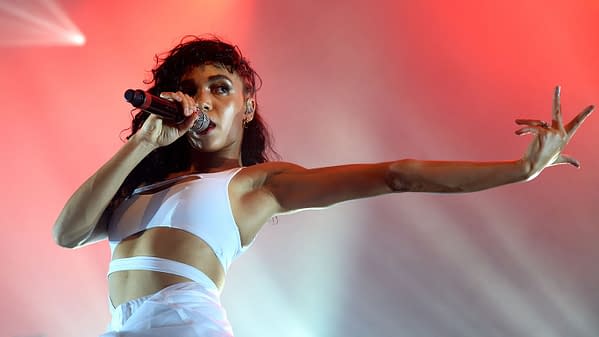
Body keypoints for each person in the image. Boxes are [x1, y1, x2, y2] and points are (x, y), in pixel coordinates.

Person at [52, 35, 594, 337]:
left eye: (221, 88)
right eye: (191, 90)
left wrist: (518, 169)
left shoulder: (257, 184)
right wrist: (145, 143)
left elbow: (395, 175)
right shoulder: (147, 185)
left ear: (247, 105)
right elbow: (67, 233)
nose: (205, 101)